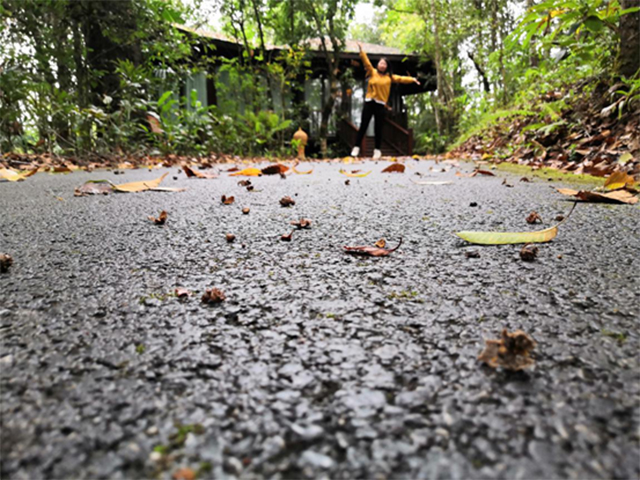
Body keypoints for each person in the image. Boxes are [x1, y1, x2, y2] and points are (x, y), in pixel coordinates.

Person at [351, 42, 420, 159]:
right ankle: (356, 148)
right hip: (369, 102)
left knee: (378, 127)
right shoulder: (372, 72)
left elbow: (401, 78)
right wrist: (361, 51)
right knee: (364, 125)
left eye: (384, 64)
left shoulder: (389, 77)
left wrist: (412, 79)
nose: (382, 65)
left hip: (380, 105)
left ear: (387, 66)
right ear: (377, 65)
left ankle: (377, 150)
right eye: (380, 63)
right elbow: (366, 62)